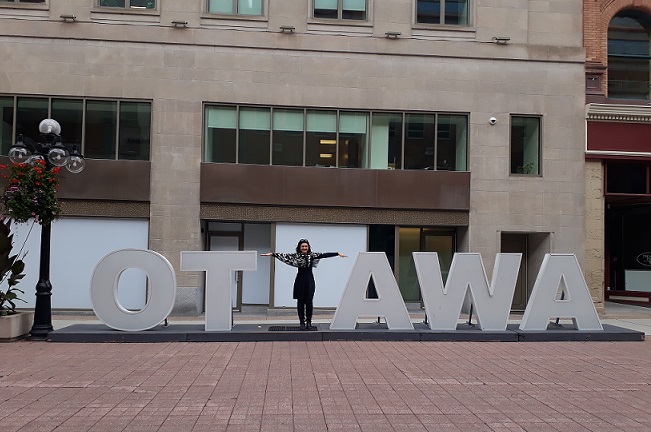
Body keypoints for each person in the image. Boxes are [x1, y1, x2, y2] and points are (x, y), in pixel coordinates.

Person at [261, 239, 346, 330]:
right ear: (299, 248)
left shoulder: (312, 256)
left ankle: (309, 322)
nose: (304, 248)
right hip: (300, 281)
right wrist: (272, 254)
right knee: (300, 302)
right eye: (302, 246)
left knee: (309, 302)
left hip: (309, 281)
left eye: (306, 246)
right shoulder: (296, 256)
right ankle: (302, 322)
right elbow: (284, 256)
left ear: (308, 247)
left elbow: (324, 255)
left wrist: (337, 253)